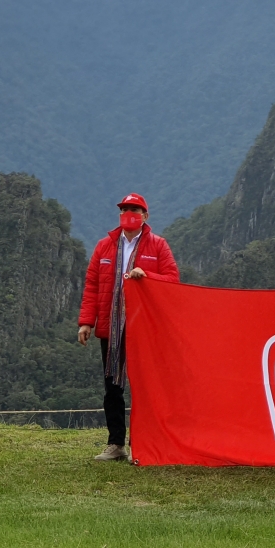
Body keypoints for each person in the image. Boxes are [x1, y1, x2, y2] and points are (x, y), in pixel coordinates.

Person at [78, 193, 180, 462]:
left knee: (143, 385)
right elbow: (92, 286)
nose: (128, 214)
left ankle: (143, 443)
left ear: (145, 215)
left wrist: (148, 276)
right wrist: (87, 322)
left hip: (143, 326)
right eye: (124, 210)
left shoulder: (158, 246)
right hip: (112, 327)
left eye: (134, 209)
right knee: (113, 385)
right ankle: (116, 444)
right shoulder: (105, 246)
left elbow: (172, 279)